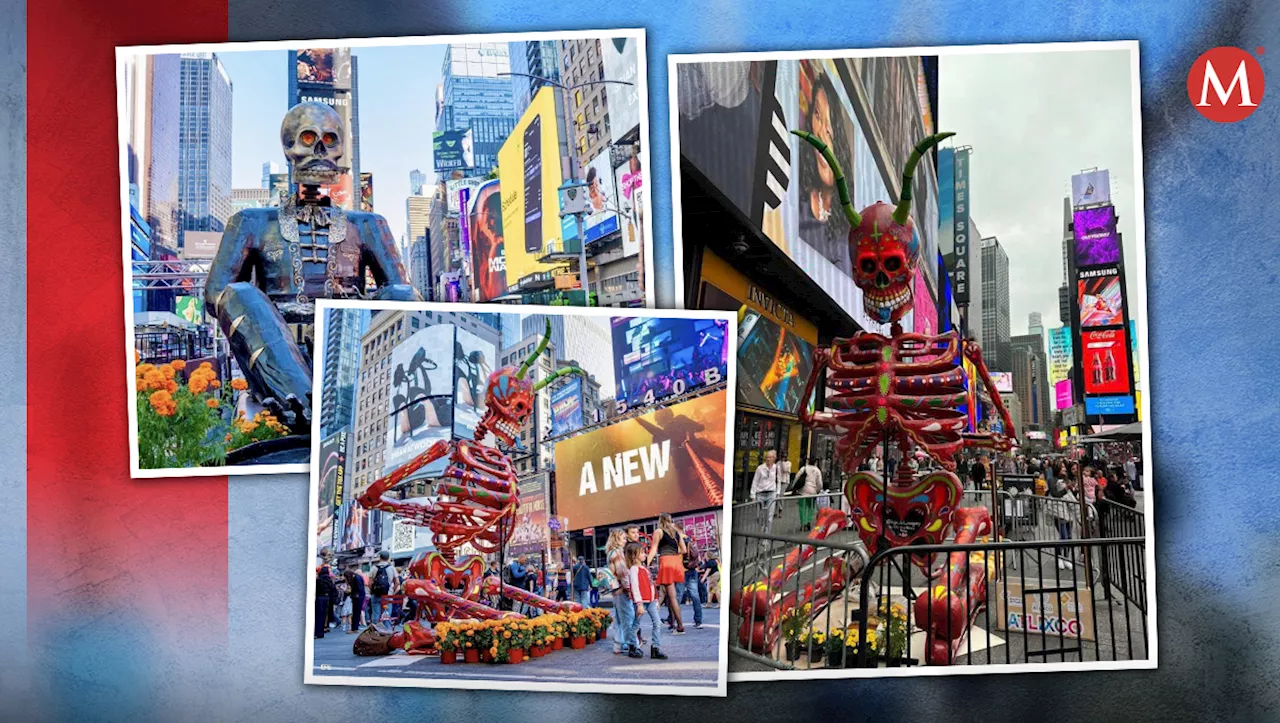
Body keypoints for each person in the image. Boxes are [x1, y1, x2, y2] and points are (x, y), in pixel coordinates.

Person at [647, 513, 688, 634]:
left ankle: (680, 627)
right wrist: (674, 551)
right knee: (671, 597)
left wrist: (647, 563)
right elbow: (684, 550)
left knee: (672, 596)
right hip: (676, 562)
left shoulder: (658, 531)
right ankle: (674, 623)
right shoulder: (676, 532)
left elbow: (654, 549)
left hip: (667, 562)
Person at [626, 541, 667, 660]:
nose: (645, 554)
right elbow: (635, 586)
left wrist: (655, 600)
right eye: (642, 552)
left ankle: (656, 647)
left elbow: (651, 585)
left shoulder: (644, 568)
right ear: (634, 555)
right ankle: (633, 646)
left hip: (651, 601)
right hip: (641, 602)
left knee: (657, 623)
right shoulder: (634, 569)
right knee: (636, 624)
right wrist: (639, 603)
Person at [605, 529, 638, 656]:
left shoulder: (610, 552)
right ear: (617, 539)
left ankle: (618, 645)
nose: (626, 541)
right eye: (623, 538)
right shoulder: (618, 553)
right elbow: (623, 573)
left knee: (619, 619)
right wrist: (630, 589)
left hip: (615, 590)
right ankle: (631, 644)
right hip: (622, 589)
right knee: (628, 618)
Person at [751, 450, 782, 534]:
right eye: (767, 457)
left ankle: (766, 535)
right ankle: (760, 528)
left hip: (771, 493)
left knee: (769, 516)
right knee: (759, 515)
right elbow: (755, 481)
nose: (768, 459)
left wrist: (778, 492)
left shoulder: (776, 468)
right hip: (760, 493)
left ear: (774, 459)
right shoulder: (760, 468)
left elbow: (778, 480)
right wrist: (753, 495)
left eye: (770, 457)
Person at [369, 551, 398, 626]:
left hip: (376, 594)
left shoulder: (374, 568)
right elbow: (397, 582)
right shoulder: (392, 568)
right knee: (386, 615)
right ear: (388, 558)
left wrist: (372, 591)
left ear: (380, 558)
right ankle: (387, 632)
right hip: (388, 595)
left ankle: (375, 630)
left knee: (376, 614)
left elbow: (370, 583)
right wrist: (393, 592)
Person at [794, 457, 823, 528]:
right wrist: (818, 490)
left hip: (802, 491)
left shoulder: (803, 468)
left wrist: (794, 487)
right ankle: (808, 521)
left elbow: (796, 477)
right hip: (812, 491)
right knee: (811, 508)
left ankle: (803, 522)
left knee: (802, 507)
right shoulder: (817, 470)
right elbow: (819, 483)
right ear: (815, 462)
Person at [315, 566, 338, 639]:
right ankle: (323, 630)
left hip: (319, 598)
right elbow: (333, 590)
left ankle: (317, 631)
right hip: (328, 599)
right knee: (325, 615)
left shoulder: (318, 580)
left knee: (318, 615)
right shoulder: (329, 580)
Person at [344, 566, 366, 633]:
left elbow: (359, 588)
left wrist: (353, 594)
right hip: (358, 596)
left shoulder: (356, 578)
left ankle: (354, 628)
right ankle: (354, 627)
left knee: (356, 612)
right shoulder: (357, 577)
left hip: (358, 597)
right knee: (356, 612)